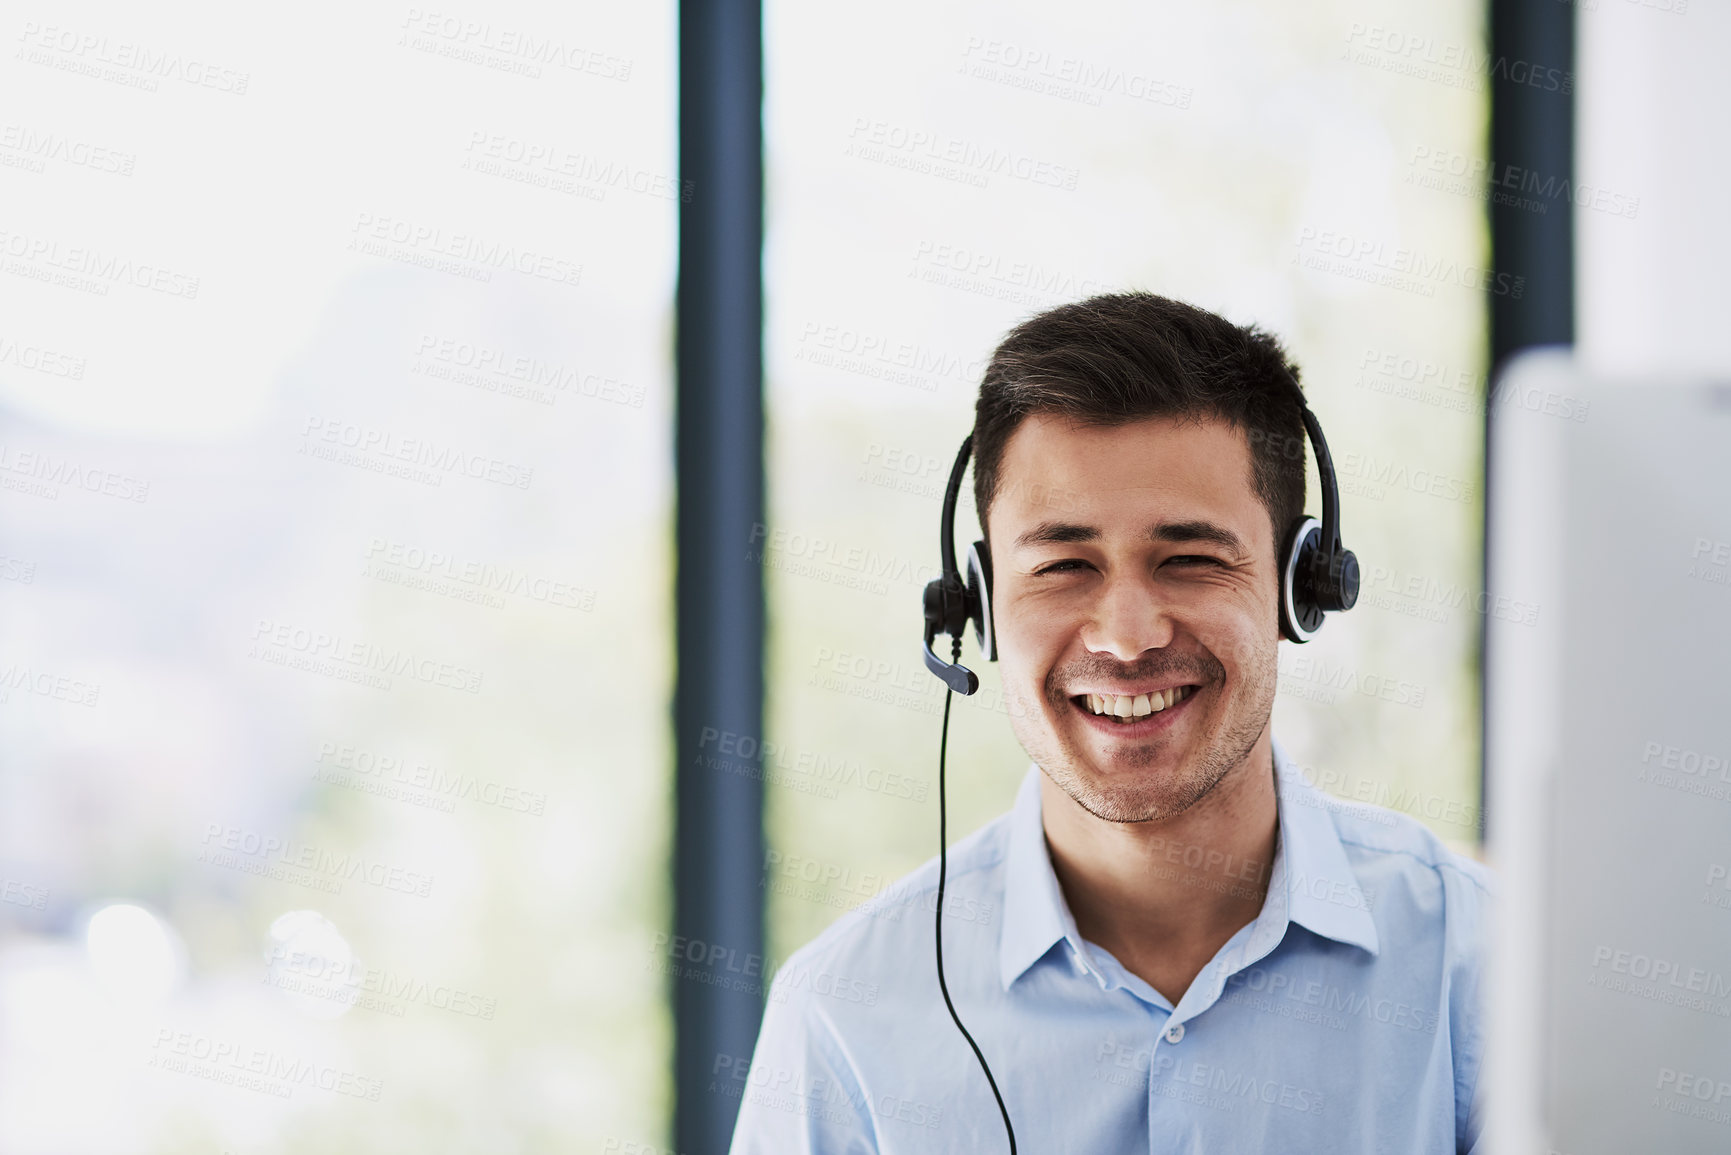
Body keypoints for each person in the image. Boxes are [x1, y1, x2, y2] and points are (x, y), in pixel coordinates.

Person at [727, 292, 1491, 1153]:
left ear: (1299, 585)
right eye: (1061, 565)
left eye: (1191, 560)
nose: (1126, 635)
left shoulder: (1483, 970)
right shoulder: (843, 1013)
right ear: (974, 604)